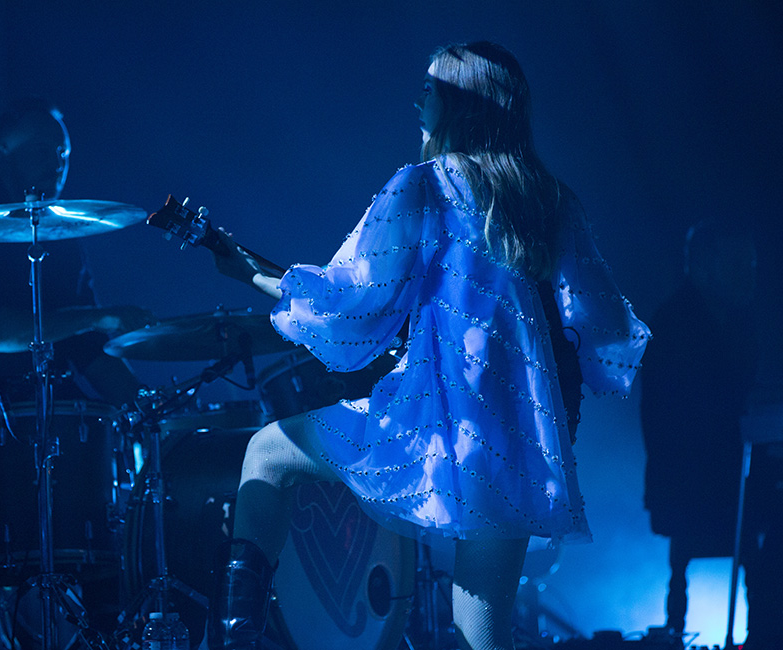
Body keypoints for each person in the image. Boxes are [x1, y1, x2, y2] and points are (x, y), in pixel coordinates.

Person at [206, 42, 650, 650]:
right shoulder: (551, 200)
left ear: (461, 103)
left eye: (430, 88)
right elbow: (598, 321)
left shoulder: (425, 187)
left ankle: (234, 640)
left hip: (434, 433)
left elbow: (350, 300)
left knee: (266, 454)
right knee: (482, 638)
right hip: (520, 446)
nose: (417, 99)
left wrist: (249, 274)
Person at [0, 97, 148, 416]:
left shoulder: (62, 235)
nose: (57, 162)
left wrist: (148, 410)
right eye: (42, 150)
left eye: (63, 153)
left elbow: (87, 348)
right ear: (3, 152)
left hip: (45, 403)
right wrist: (96, 316)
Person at [640, 220, 783, 649]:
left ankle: (766, 628)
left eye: (752, 264)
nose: (749, 275)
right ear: (703, 267)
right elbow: (679, 418)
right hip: (694, 483)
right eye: (738, 264)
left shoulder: (739, 321)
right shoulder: (673, 325)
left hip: (733, 474)